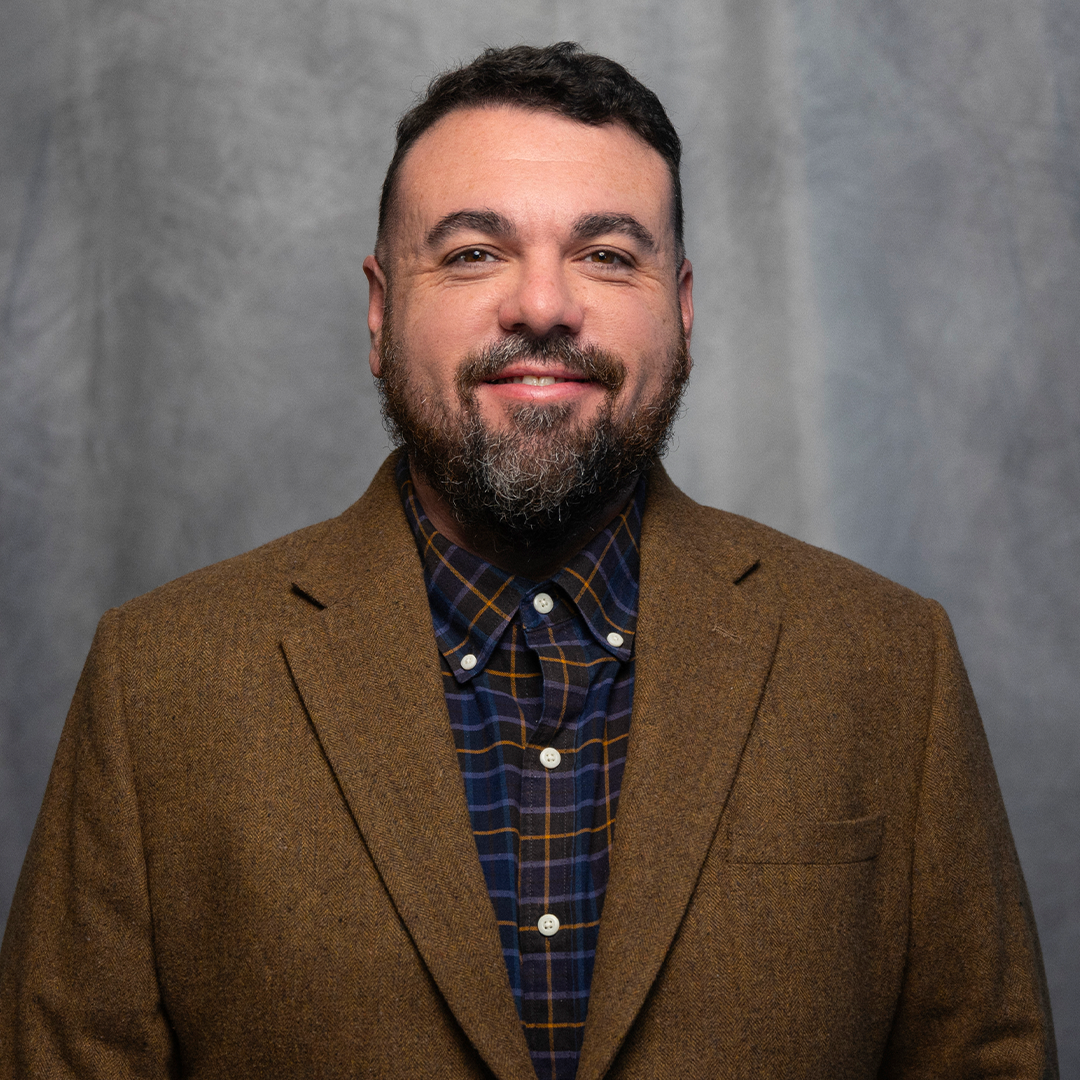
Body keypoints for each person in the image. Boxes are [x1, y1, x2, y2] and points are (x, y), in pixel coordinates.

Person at [0, 42, 1057, 1080]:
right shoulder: (160, 680)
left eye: (607, 254)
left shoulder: (886, 662)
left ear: (680, 310)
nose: (543, 306)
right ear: (380, 312)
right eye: (473, 253)